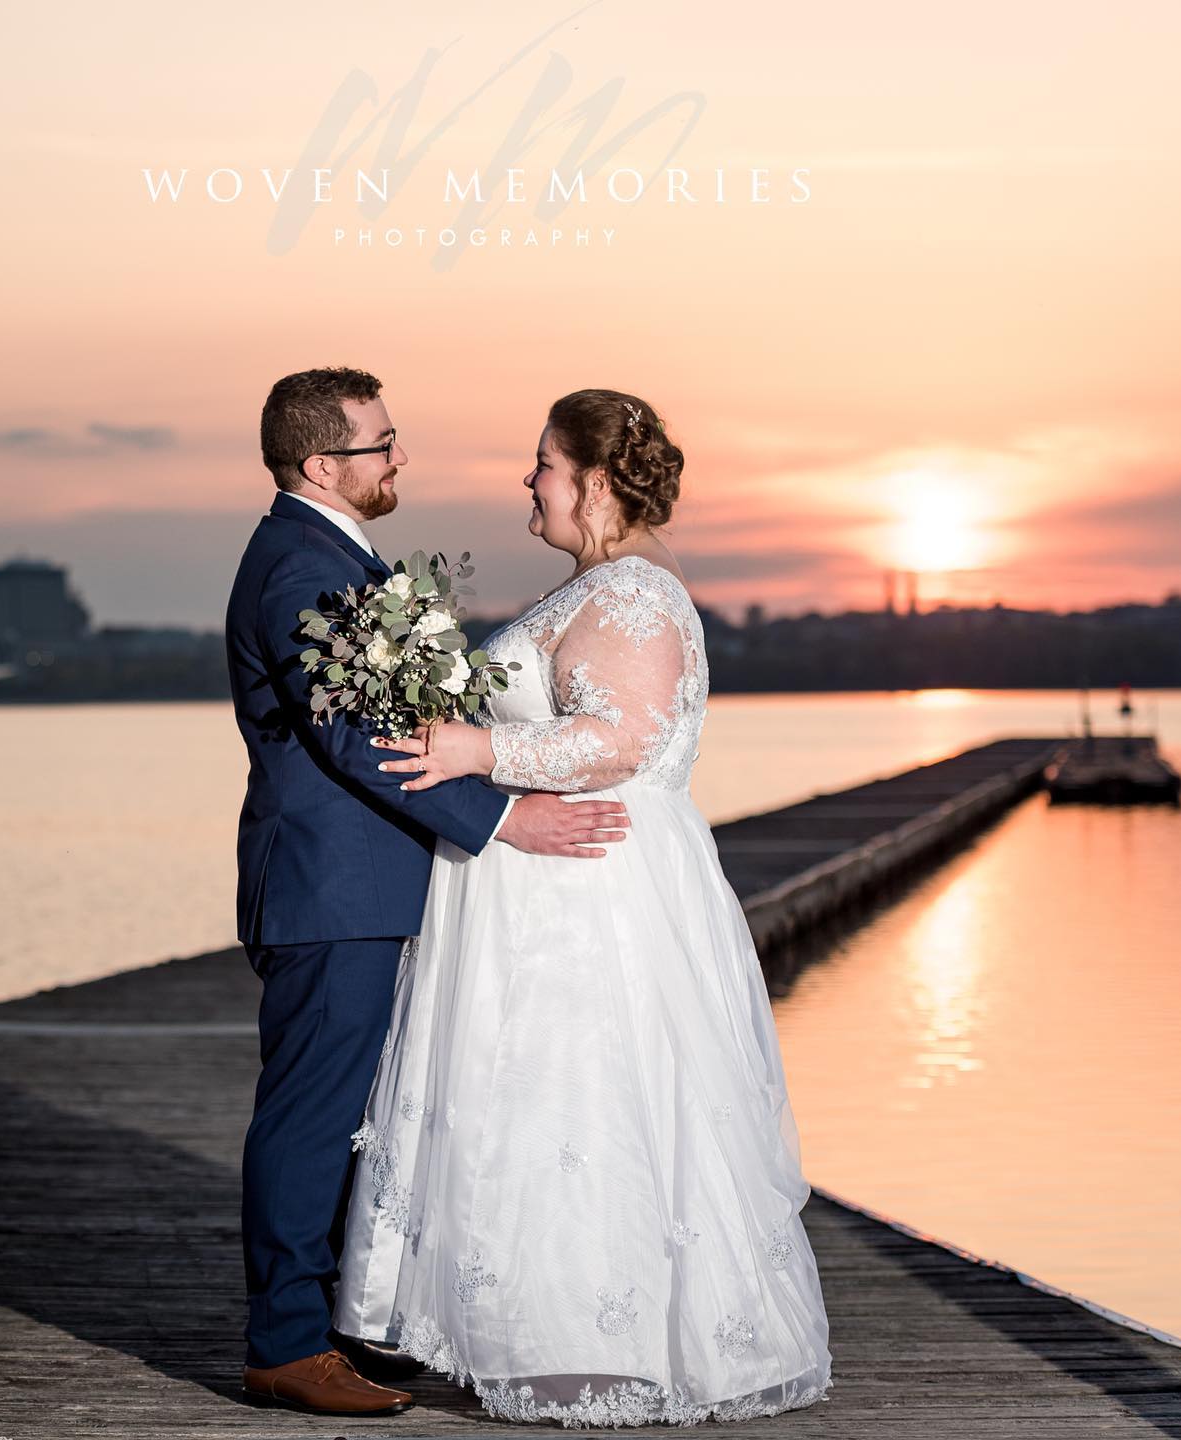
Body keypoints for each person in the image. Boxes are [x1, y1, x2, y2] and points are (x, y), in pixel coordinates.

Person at [334, 389, 834, 1426]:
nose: (531, 480)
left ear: (595, 482)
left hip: (592, 888)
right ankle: (516, 1322)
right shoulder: (597, 588)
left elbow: (620, 741)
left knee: (582, 1099)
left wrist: (474, 748)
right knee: (533, 1102)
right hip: (545, 880)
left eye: (544, 463)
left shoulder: (637, 592)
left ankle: (591, 1342)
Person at [225, 367, 633, 1418]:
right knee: (312, 1118)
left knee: (361, 1119)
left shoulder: (333, 558)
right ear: (324, 465)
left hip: (369, 887)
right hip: (332, 891)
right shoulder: (297, 571)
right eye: (382, 443)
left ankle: (343, 1328)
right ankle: (285, 1343)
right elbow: (359, 740)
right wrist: (504, 817)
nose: (400, 458)